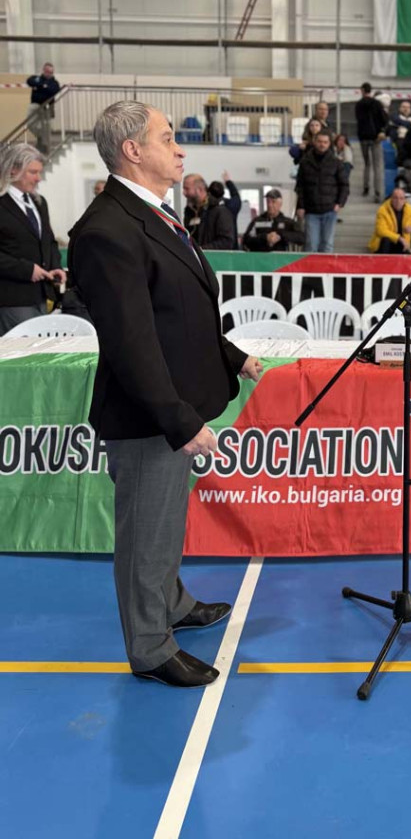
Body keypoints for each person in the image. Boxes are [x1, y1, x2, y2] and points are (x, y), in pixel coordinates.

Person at [68, 101, 263, 688]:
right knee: (145, 534)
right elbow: (132, 343)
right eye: (167, 138)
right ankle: (151, 647)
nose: (180, 149)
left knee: (166, 524)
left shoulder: (154, 214)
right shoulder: (106, 231)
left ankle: (172, 603)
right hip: (148, 416)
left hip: (172, 406)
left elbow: (179, 312)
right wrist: (179, 420)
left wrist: (232, 356)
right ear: (132, 150)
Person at [0, 142, 66, 334]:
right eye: (32, 172)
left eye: (39, 172)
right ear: (13, 170)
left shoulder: (39, 202)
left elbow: (48, 241)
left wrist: (56, 266)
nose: (38, 178)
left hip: (41, 295)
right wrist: (27, 270)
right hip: (13, 298)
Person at [295, 130, 348, 253]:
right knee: (311, 246)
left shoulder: (336, 163)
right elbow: (300, 186)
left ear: (329, 144)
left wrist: (340, 203)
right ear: (314, 142)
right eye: (319, 141)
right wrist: (300, 206)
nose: (322, 144)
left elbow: (344, 185)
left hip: (330, 210)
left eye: (325, 142)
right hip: (311, 211)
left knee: (327, 246)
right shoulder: (305, 162)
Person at [182, 174, 236, 249]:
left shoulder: (220, 211)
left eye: (187, 189)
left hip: (211, 256)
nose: (184, 193)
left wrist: (201, 249)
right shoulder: (190, 211)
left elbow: (226, 242)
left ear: (200, 190)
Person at [241, 188, 304, 252]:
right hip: (260, 256)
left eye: (273, 202)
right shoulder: (257, 221)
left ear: (280, 204)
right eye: (268, 202)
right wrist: (265, 237)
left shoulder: (287, 222)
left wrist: (280, 236)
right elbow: (246, 240)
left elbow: (301, 238)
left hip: (280, 256)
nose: (270, 205)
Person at [354, 82, 388, 200]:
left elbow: (358, 120)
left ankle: (366, 188)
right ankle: (377, 192)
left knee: (367, 163)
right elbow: (384, 119)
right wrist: (381, 131)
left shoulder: (358, 104)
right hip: (376, 138)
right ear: (370, 90)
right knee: (377, 166)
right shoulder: (377, 104)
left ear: (362, 90)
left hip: (363, 137)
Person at [368, 188, 411, 253]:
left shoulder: (410, 210)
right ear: (391, 198)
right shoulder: (382, 210)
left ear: (405, 200)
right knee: (386, 239)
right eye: (395, 198)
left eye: (401, 198)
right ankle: (384, 258)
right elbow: (380, 230)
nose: (398, 201)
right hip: (388, 243)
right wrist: (399, 238)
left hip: (403, 242)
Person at [26, 62, 61, 155]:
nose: (49, 74)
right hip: (35, 105)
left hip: (47, 107)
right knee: (30, 123)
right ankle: (40, 137)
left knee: (46, 127)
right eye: (47, 72)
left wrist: (39, 86)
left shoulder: (54, 83)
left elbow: (53, 90)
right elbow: (29, 81)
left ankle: (46, 147)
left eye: (51, 72)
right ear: (44, 71)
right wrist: (43, 85)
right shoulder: (36, 78)